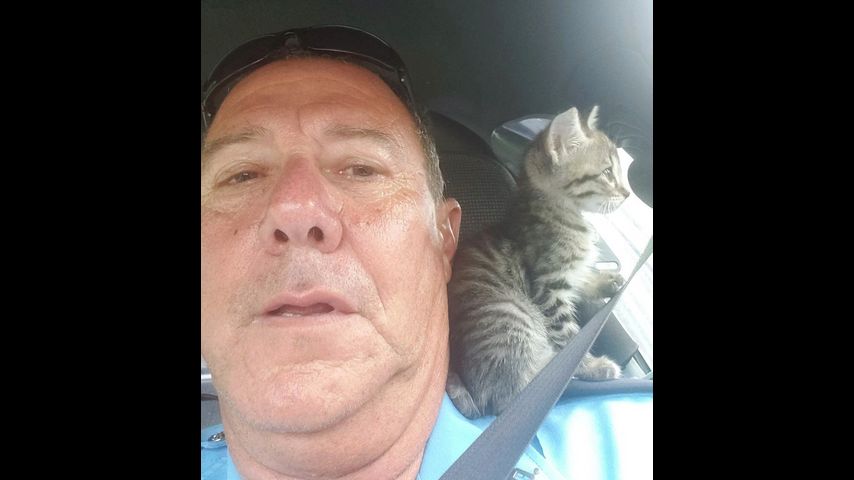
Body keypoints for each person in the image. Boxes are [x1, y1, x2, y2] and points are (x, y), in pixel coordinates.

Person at [201, 25, 651, 480]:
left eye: (361, 168)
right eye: (242, 175)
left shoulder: (633, 441)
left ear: (444, 240)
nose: (295, 210)